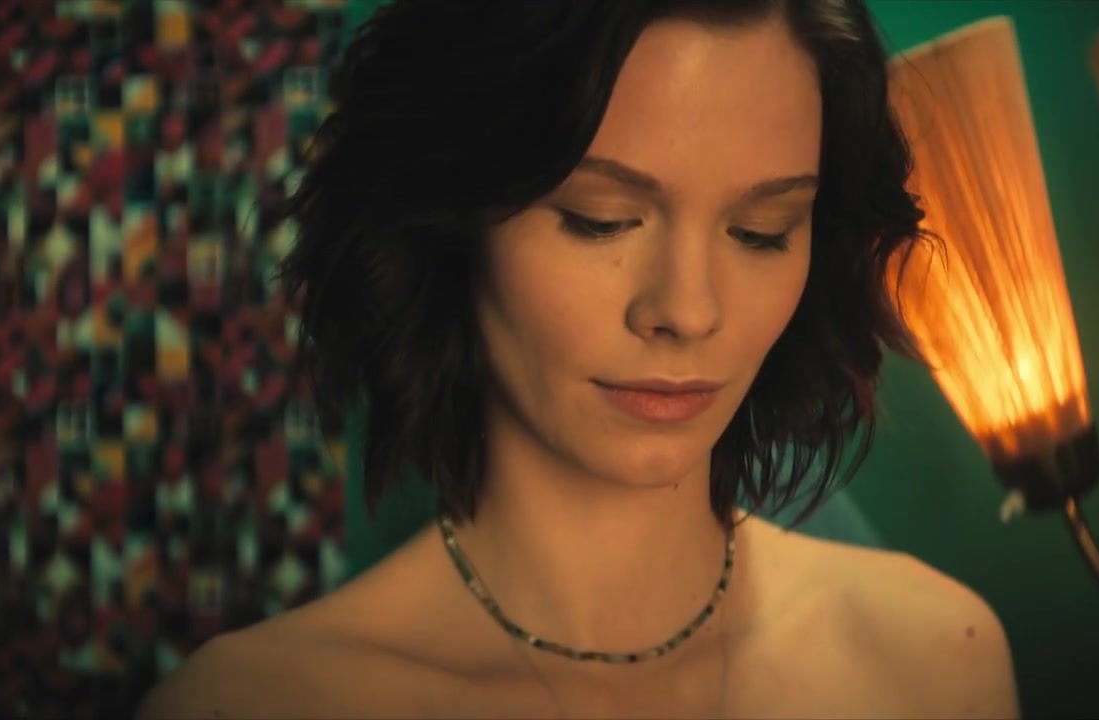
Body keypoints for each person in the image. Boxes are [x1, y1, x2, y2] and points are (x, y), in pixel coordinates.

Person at [139, 0, 1019, 717]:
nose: (688, 310)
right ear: (449, 218)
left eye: (762, 231)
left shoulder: (935, 660)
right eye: (601, 220)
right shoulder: (252, 703)